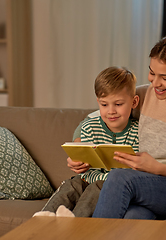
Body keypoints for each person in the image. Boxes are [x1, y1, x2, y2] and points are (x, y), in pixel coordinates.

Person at [69, 34, 166, 220]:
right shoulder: (144, 96)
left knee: (120, 177)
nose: (155, 83)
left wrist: (158, 168)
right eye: (152, 72)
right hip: (146, 187)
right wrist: (79, 148)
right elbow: (96, 117)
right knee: (134, 217)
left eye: (165, 77)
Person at [33, 66, 139, 217]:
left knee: (97, 186)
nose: (111, 111)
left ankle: (76, 221)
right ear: (98, 102)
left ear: (134, 102)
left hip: (113, 187)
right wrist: (81, 164)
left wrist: (101, 179)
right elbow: (87, 170)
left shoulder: (138, 132)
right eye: (104, 104)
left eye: (118, 104)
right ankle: (44, 217)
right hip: (88, 179)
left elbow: (133, 172)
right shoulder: (90, 127)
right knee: (72, 184)